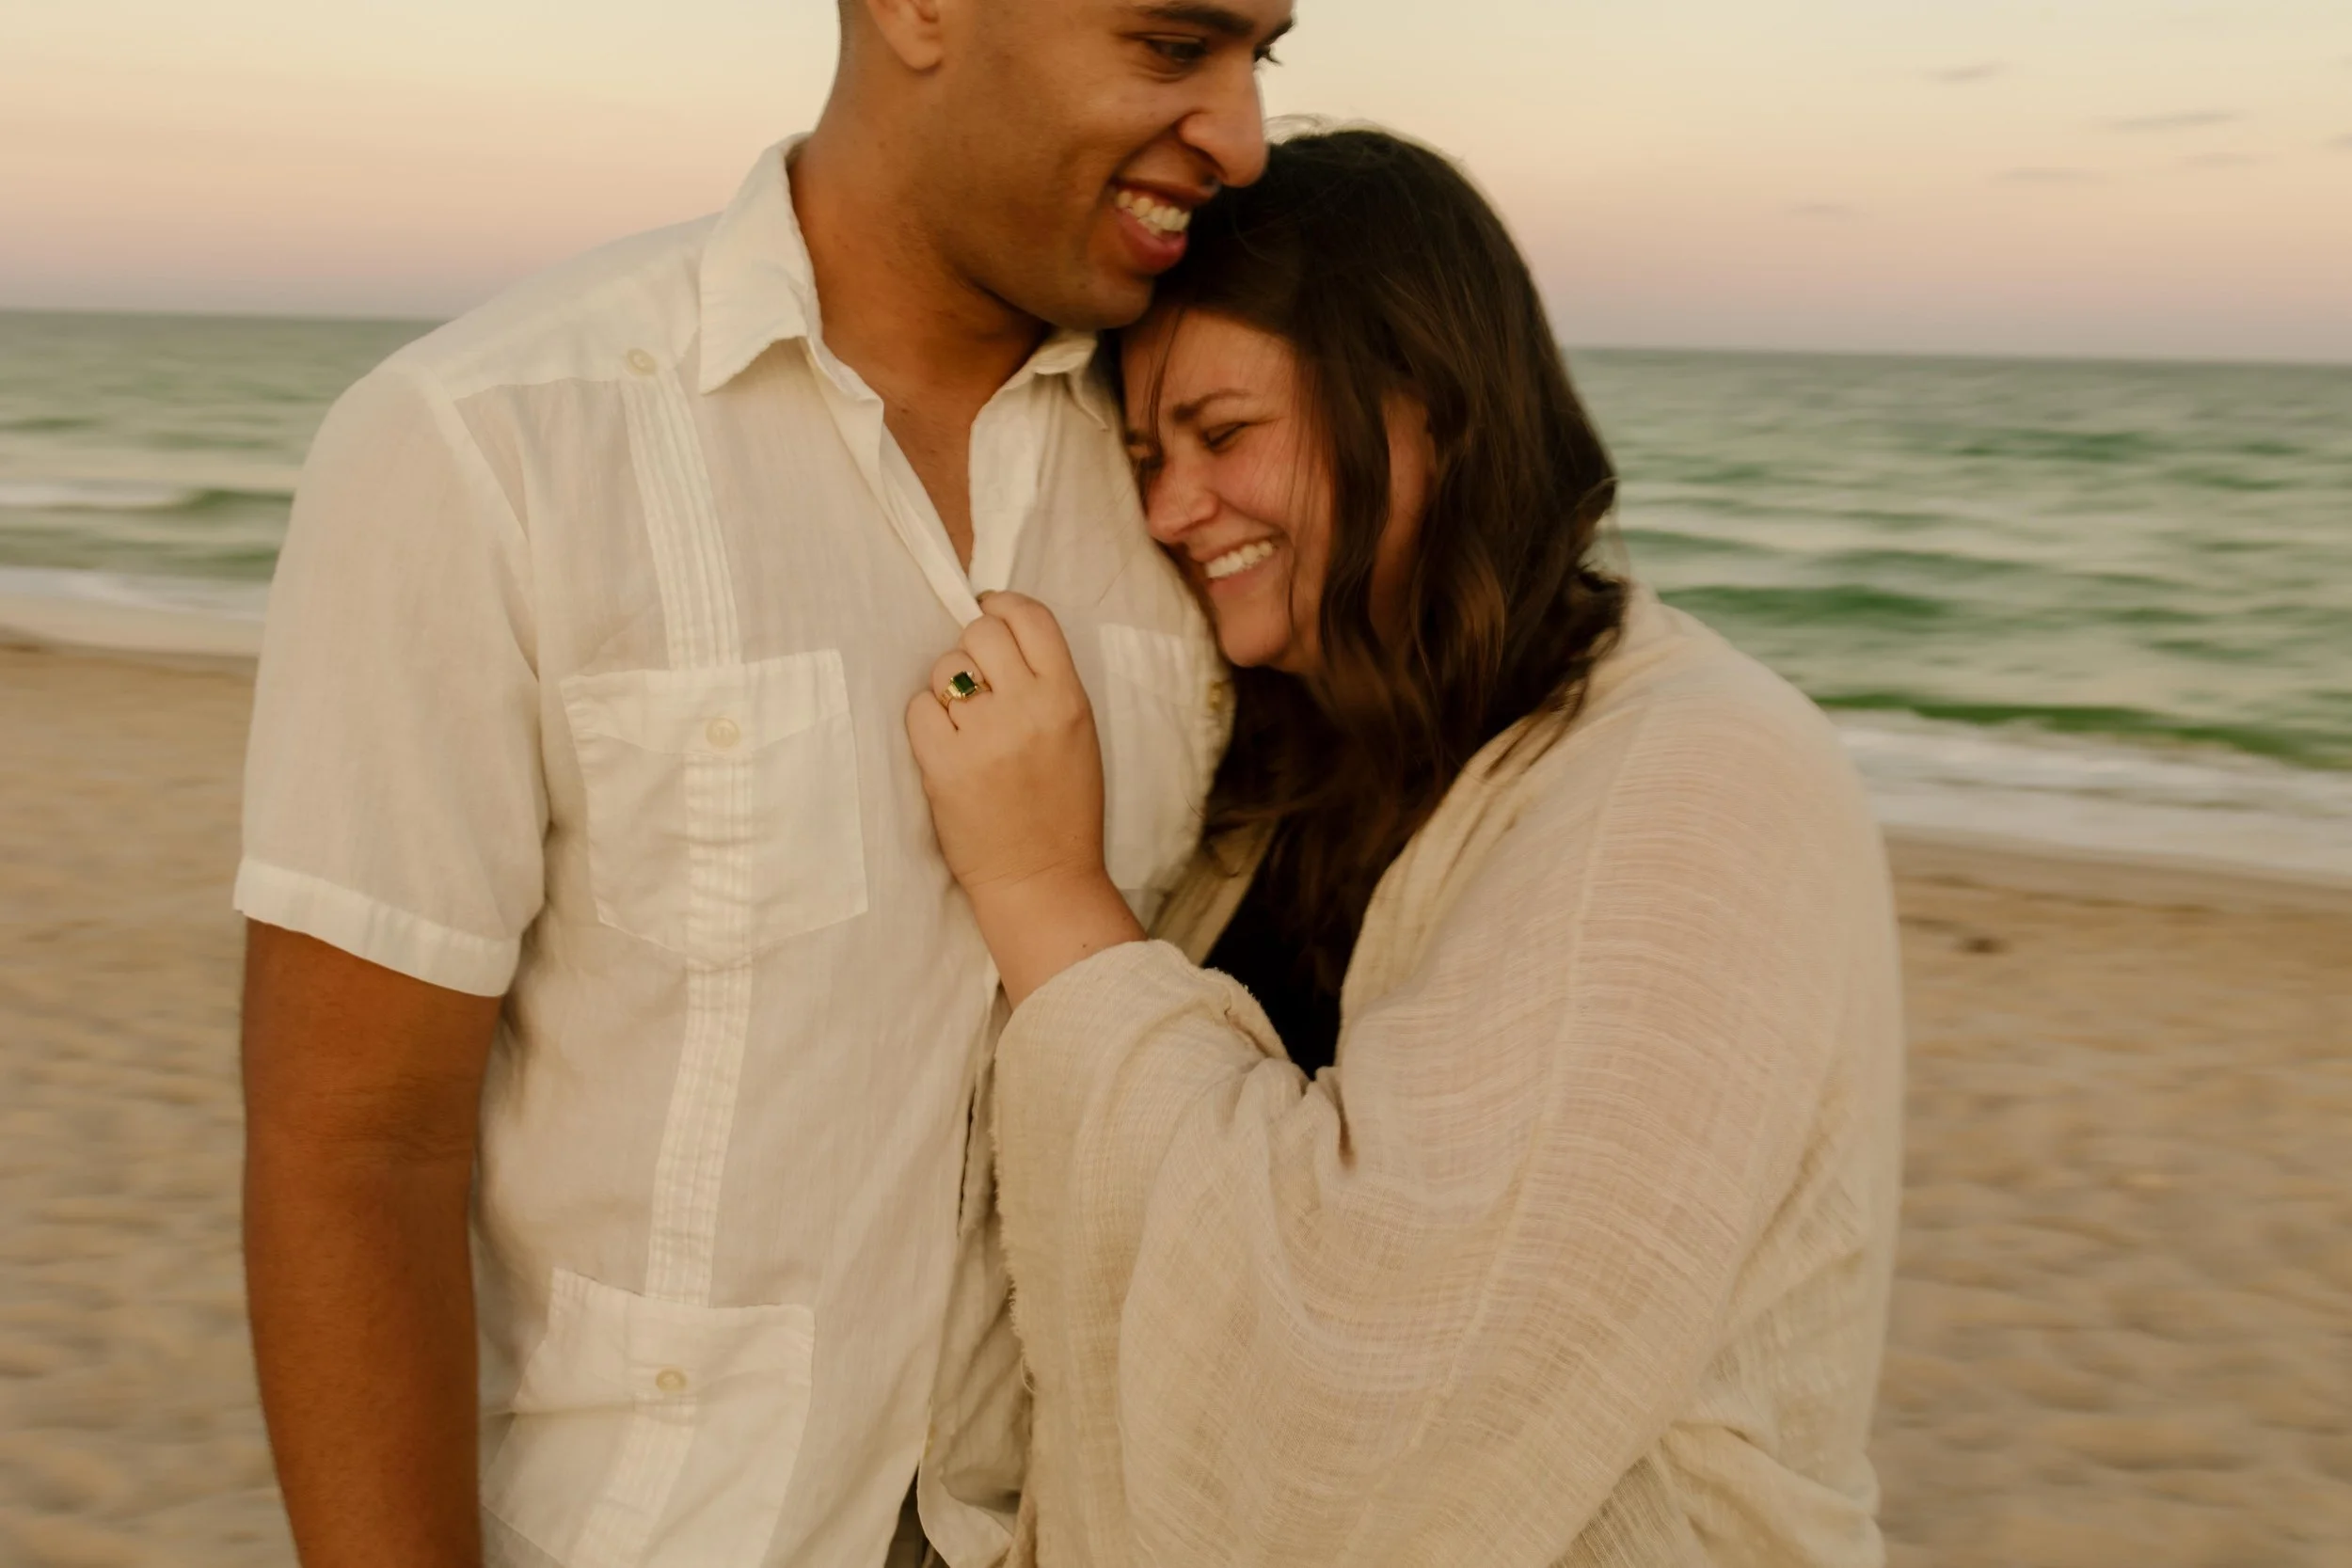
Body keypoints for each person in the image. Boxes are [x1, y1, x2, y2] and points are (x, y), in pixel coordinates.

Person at [235, 3, 1295, 1565]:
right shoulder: (485, 450)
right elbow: (354, 1143)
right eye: (1169, 46)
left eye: (1258, 58)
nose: (1244, 136)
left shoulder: (1209, 485)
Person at [907, 129, 1906, 1565]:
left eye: (1223, 432)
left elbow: (1360, 1402)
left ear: (1429, 403)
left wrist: (1040, 888)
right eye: (1142, 455)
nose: (1170, 510)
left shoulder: (1704, 777)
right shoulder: (1300, 767)